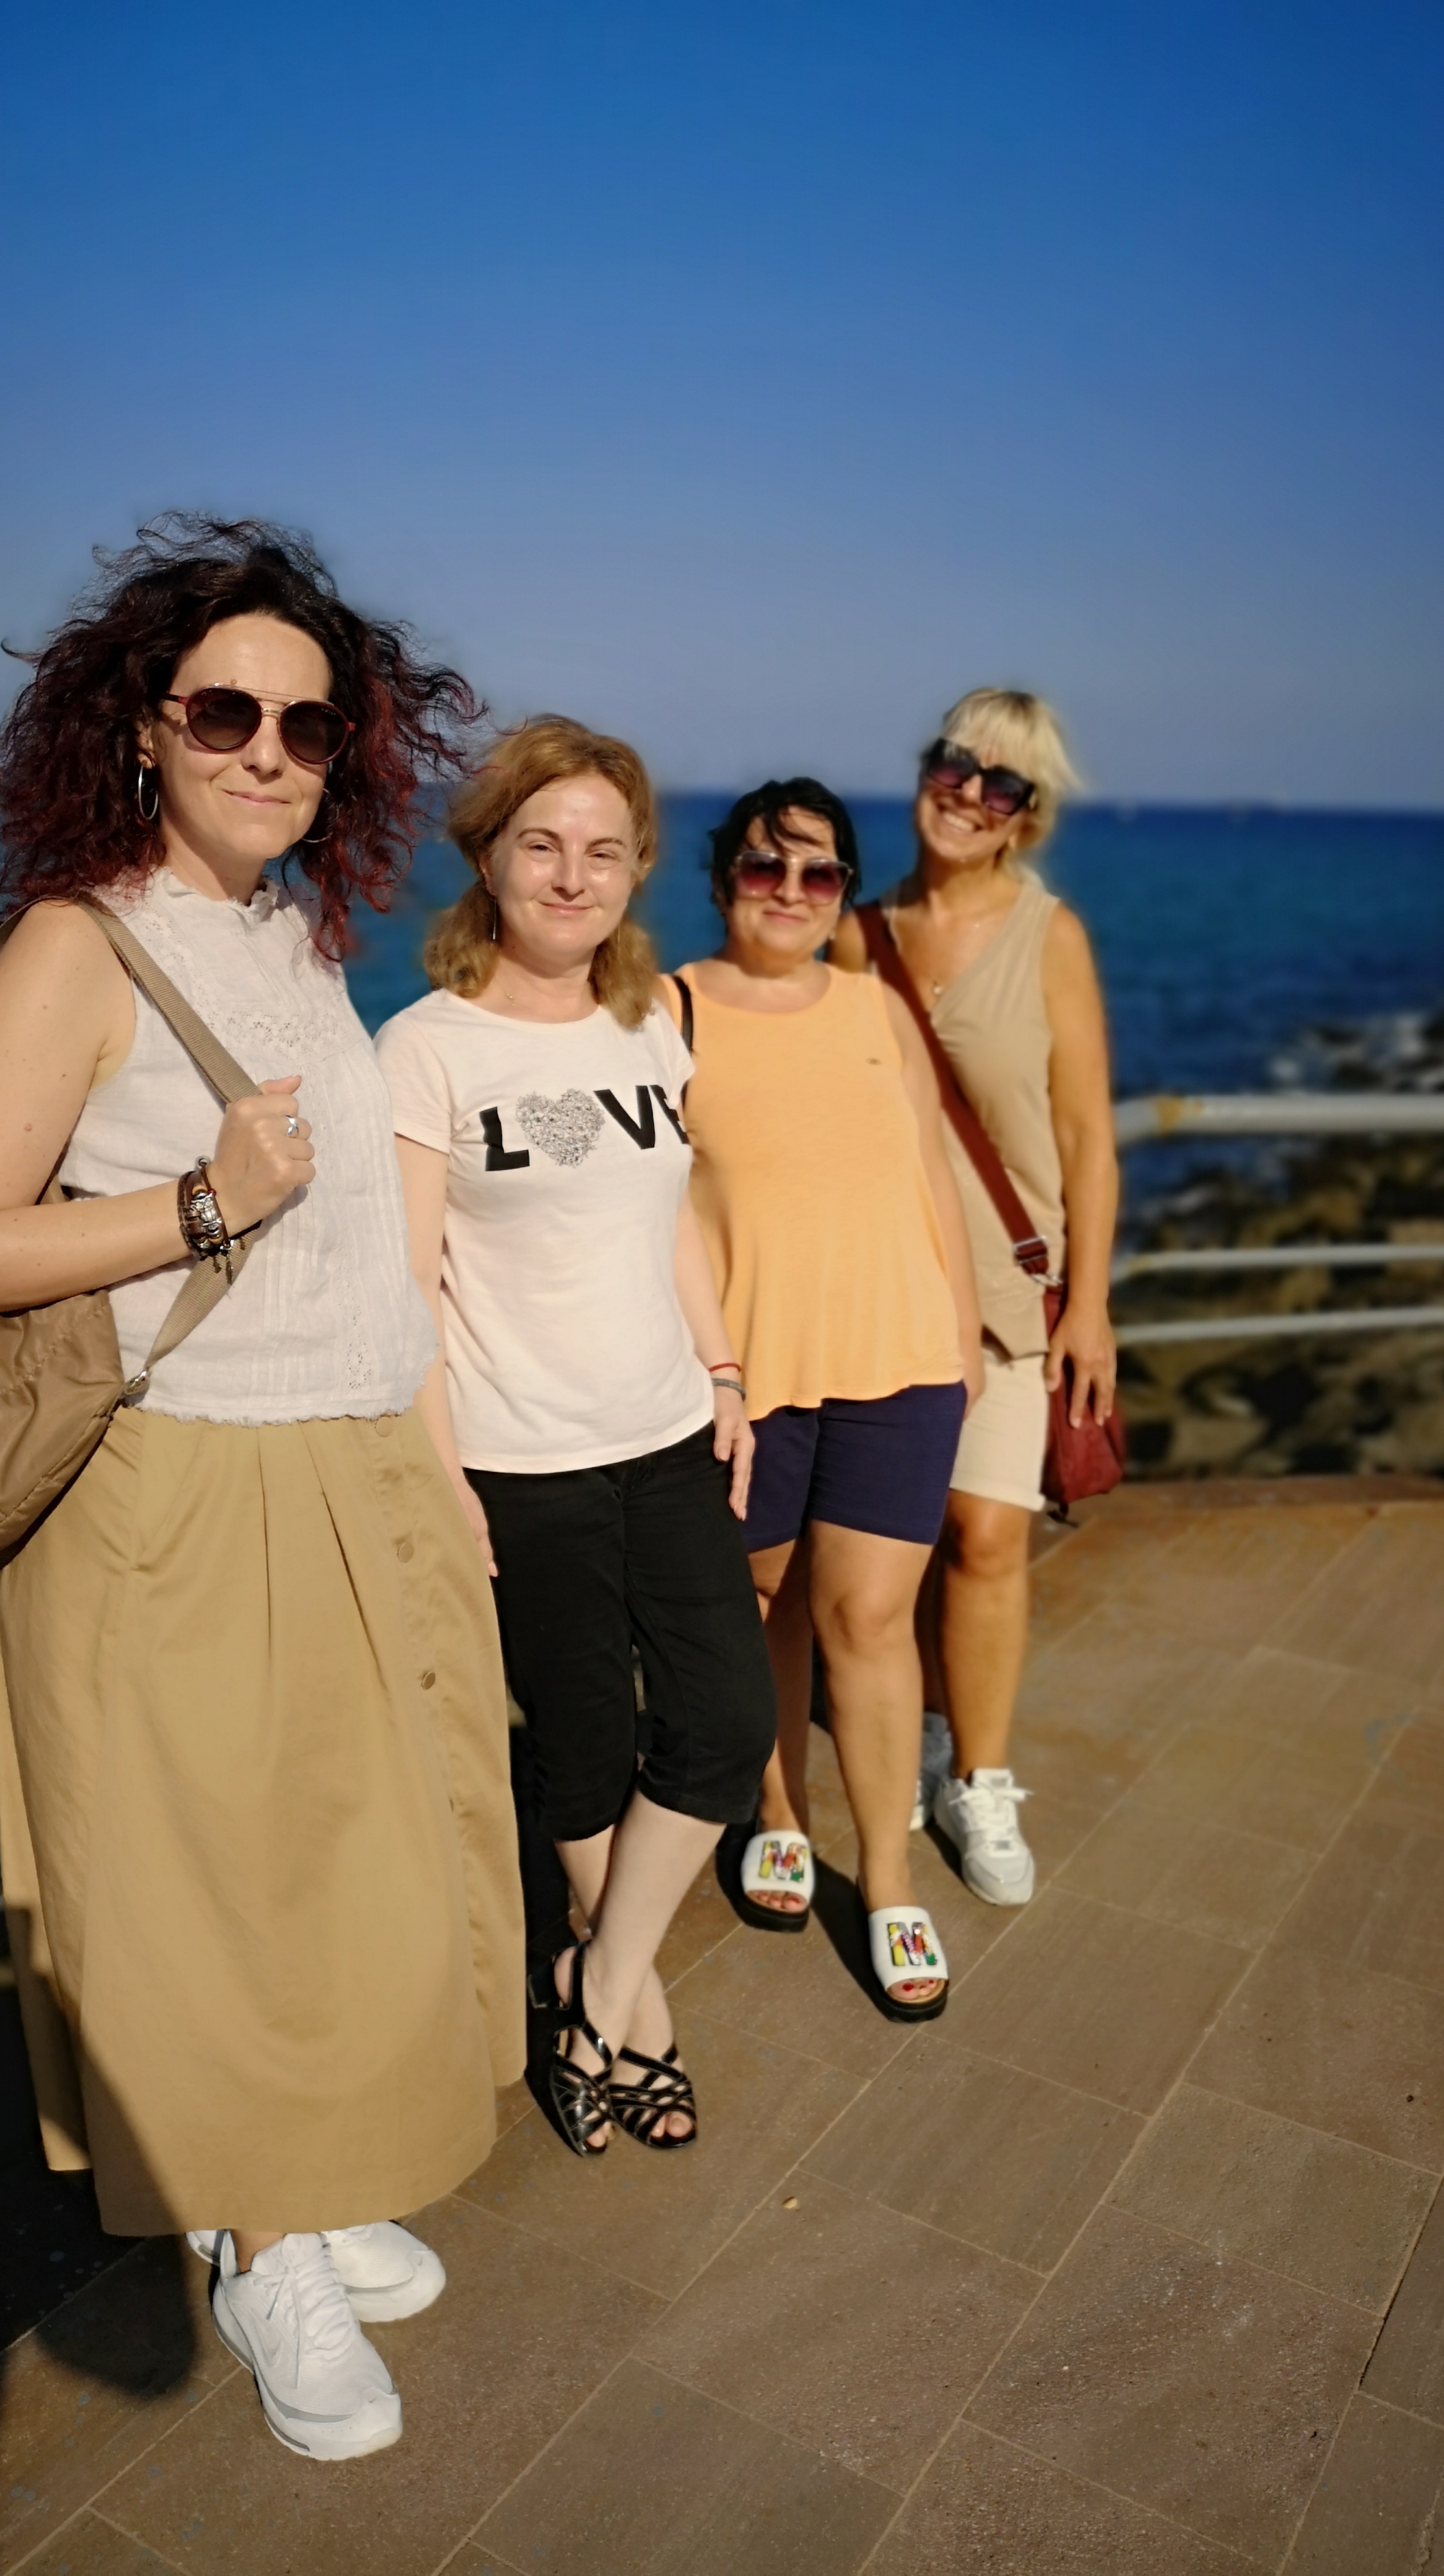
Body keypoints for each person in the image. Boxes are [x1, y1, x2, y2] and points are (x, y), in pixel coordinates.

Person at [0, 517, 523, 2463]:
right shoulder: (77, 942)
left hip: (344, 1460)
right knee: (218, 1893)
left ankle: (305, 2181)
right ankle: (259, 2244)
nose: (268, 750)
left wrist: (422, 1446)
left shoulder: (292, 933)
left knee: (343, 1865)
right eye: (226, 711)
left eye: (309, 724)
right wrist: (193, 1203)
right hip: (183, 1491)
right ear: (142, 725)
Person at [378, 717, 776, 2155]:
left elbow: (668, 1220)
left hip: (667, 1433)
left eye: (603, 851)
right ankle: (635, 2017)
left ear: (637, 868)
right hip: (516, 1459)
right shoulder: (422, 1049)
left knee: (726, 1722)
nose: (571, 875)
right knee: (583, 1749)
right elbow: (409, 1290)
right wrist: (441, 1473)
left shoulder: (651, 1020)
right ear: (486, 855)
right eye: (540, 843)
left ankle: (594, 1985)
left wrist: (724, 1373)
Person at [667, 780, 984, 2020]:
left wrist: (960, 1339)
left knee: (870, 1617)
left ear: (845, 891)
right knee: (766, 1603)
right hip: (749, 1374)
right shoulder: (668, 1011)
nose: (791, 893)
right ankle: (781, 1814)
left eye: (819, 873)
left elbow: (935, 1177)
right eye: (765, 867)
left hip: (900, 1361)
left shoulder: (874, 1008)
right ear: (722, 880)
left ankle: (890, 1883)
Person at [833, 689, 1118, 1907]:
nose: (969, 794)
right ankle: (912, 1730)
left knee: (989, 1535)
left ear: (1027, 817)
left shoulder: (1050, 937)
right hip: (886, 1283)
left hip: (1012, 1291)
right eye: (956, 764)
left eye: (1002, 784)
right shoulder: (856, 935)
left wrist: (1091, 1305)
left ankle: (979, 1774)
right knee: (898, 1535)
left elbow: (1088, 1137)